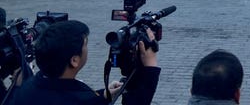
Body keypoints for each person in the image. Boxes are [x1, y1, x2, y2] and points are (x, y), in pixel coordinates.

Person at [7, 20, 160, 105]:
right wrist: (151, 66)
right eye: (85, 44)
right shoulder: (85, 101)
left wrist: (103, 95)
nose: (87, 48)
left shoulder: (27, 86)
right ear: (74, 60)